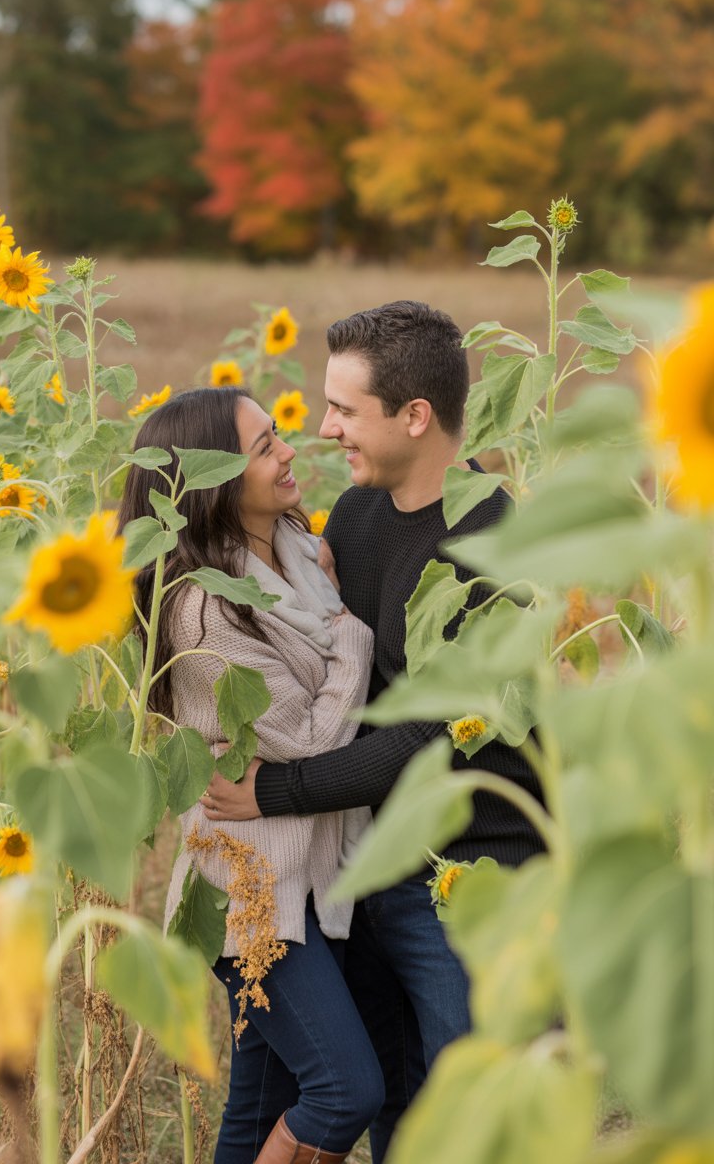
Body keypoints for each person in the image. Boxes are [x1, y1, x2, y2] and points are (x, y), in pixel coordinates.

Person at [201, 301, 547, 1161]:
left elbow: (436, 730)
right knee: (394, 1106)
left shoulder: (492, 543)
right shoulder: (356, 517)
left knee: (472, 1118)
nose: (324, 430)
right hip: (369, 862)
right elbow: (333, 668)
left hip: (471, 882)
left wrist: (271, 792)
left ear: (415, 416)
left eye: (345, 411)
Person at [117, 386, 385, 1164]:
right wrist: (353, 637)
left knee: (259, 1105)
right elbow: (309, 740)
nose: (290, 450)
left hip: (308, 876)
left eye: (277, 435)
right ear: (214, 483)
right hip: (251, 893)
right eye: (265, 446)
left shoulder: (298, 553)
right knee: (345, 1091)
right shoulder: (204, 612)